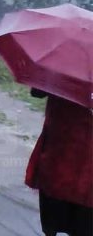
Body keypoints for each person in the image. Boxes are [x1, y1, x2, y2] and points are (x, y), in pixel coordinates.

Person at [26, 89, 93, 236]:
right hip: (82, 162)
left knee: (53, 211)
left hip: (59, 150)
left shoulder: (63, 67)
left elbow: (37, 91)